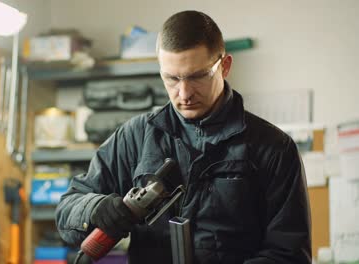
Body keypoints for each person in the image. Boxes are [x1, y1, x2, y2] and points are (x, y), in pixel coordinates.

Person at [56, 10, 311, 264]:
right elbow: (68, 209)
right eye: (172, 79)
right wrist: (95, 209)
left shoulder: (273, 149)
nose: (184, 93)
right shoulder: (135, 138)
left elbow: (288, 254)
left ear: (224, 66)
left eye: (197, 76)